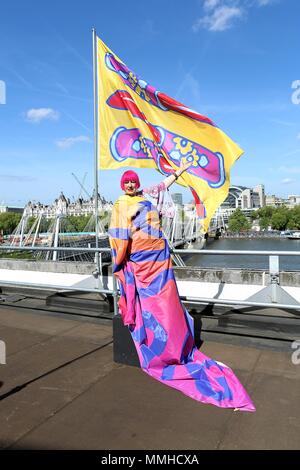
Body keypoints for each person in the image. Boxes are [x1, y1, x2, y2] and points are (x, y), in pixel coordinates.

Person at [108, 163, 255, 412]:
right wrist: (121, 262)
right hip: (141, 261)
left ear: (137, 182)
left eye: (133, 181)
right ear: (123, 185)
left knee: (166, 301)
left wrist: (181, 170)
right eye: (127, 182)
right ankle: (161, 346)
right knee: (150, 304)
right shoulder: (120, 205)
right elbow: (118, 235)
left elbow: (166, 183)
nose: (131, 184)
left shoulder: (148, 194)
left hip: (159, 259)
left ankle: (173, 344)